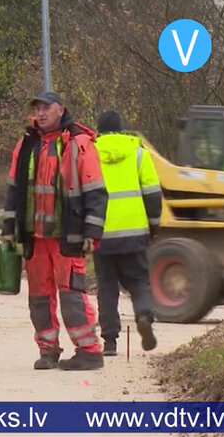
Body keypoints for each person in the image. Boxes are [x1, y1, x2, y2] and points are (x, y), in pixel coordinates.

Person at [2, 91, 109, 371]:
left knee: (72, 295)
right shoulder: (26, 144)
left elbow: (95, 192)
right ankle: (47, 350)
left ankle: (89, 351)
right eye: (37, 108)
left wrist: (91, 233)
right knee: (38, 298)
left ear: (61, 109)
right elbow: (14, 190)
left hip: (67, 235)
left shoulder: (79, 144)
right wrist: (9, 230)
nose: (41, 112)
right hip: (34, 238)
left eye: (46, 107)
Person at [93, 110, 161, 356]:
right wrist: (154, 227)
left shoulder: (90, 154)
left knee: (107, 287)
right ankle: (143, 315)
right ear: (121, 129)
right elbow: (153, 194)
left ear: (98, 131)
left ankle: (110, 342)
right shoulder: (139, 154)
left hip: (101, 235)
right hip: (134, 233)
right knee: (139, 283)